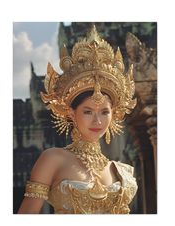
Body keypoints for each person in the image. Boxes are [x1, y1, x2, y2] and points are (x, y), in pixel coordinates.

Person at [18, 25, 138, 214]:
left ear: (114, 114)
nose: (97, 121)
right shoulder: (53, 159)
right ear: (72, 113)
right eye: (88, 112)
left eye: (104, 112)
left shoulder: (121, 170)